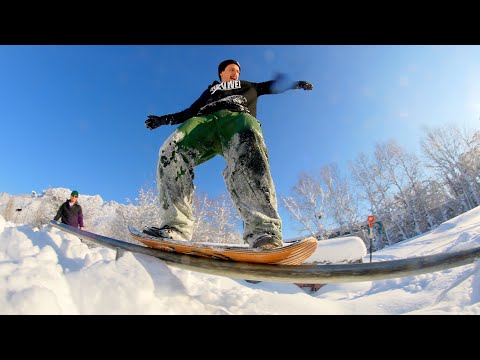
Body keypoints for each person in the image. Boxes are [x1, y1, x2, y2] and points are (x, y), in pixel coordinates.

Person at [144, 59, 313, 249]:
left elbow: (272, 86)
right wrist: (162, 120)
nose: (236, 74)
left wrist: (295, 84)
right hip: (204, 121)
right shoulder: (210, 92)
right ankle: (174, 228)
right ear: (221, 73)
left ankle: (263, 232)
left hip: (237, 119)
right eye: (232, 70)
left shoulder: (249, 86)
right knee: (171, 149)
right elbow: (188, 112)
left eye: (238, 71)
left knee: (249, 150)